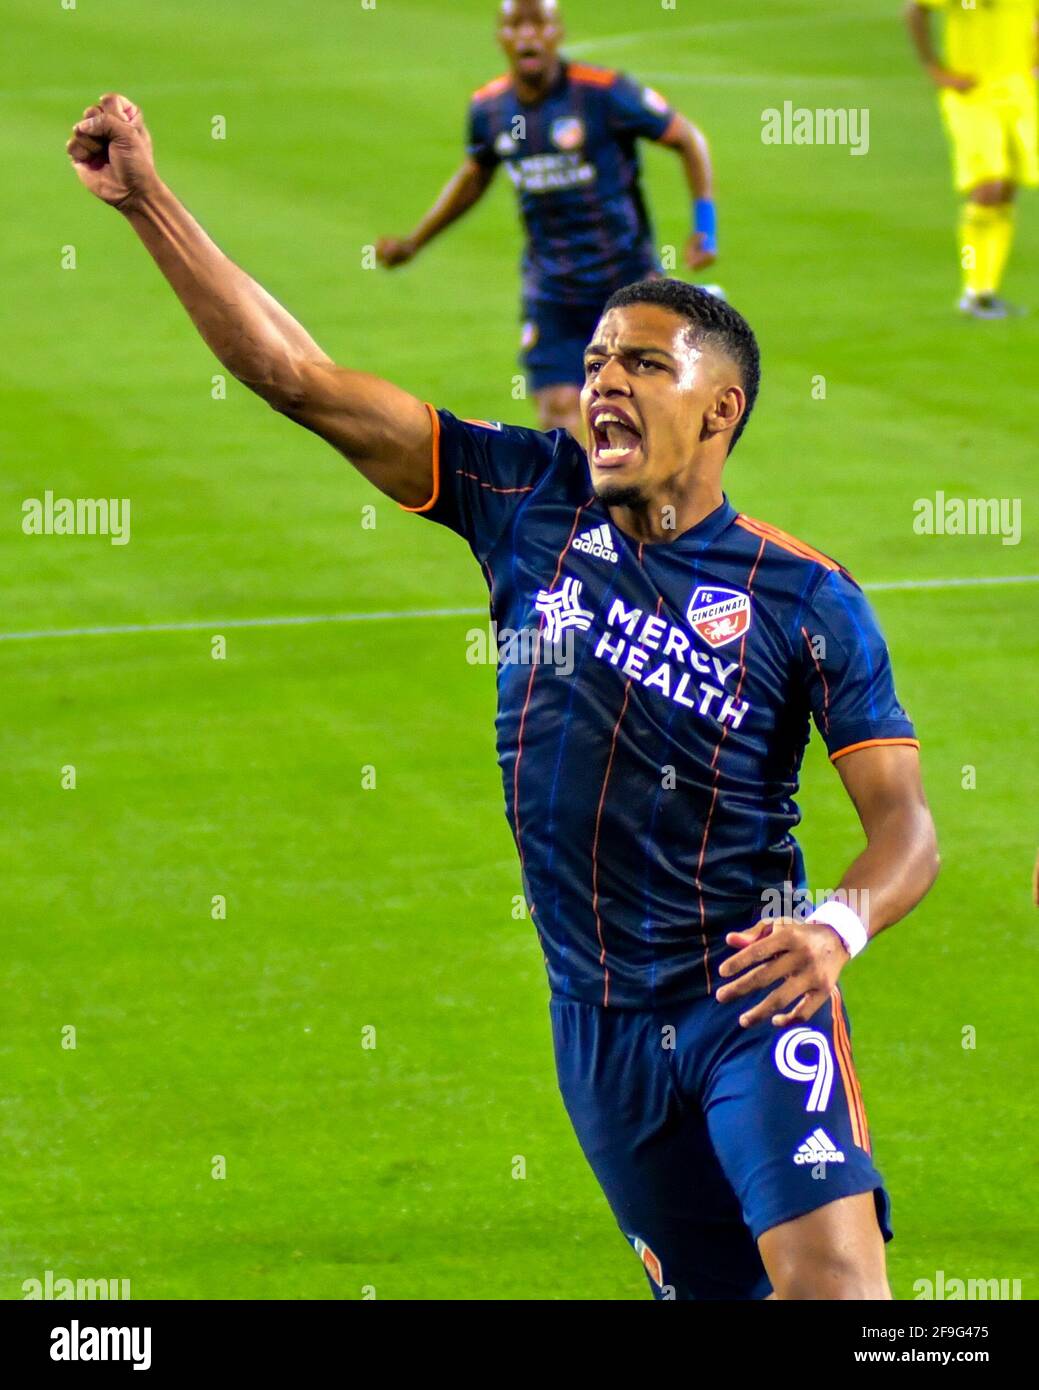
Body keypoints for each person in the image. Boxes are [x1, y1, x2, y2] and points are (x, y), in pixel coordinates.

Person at [67, 93, 941, 1300]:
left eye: (643, 363)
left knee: (837, 1290)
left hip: (748, 989)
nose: (602, 386)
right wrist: (149, 200)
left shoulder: (804, 597)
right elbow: (300, 379)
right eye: (592, 363)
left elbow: (907, 828)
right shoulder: (525, 495)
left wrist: (834, 928)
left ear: (720, 408)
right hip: (594, 1021)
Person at [376, 0, 717, 437]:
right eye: (515, 25)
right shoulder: (490, 110)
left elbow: (687, 138)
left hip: (625, 283)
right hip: (552, 291)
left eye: (539, 24)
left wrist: (704, 228)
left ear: (558, 33)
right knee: (560, 415)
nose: (527, 36)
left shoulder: (604, 94)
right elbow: (475, 175)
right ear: (501, 37)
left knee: (637, 415)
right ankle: (590, 507)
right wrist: (414, 242)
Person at [905, 0, 1039, 317]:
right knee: (988, 185)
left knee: (1007, 186)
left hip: (1018, 89)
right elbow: (914, 9)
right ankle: (973, 291)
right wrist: (935, 69)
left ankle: (985, 290)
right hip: (972, 94)